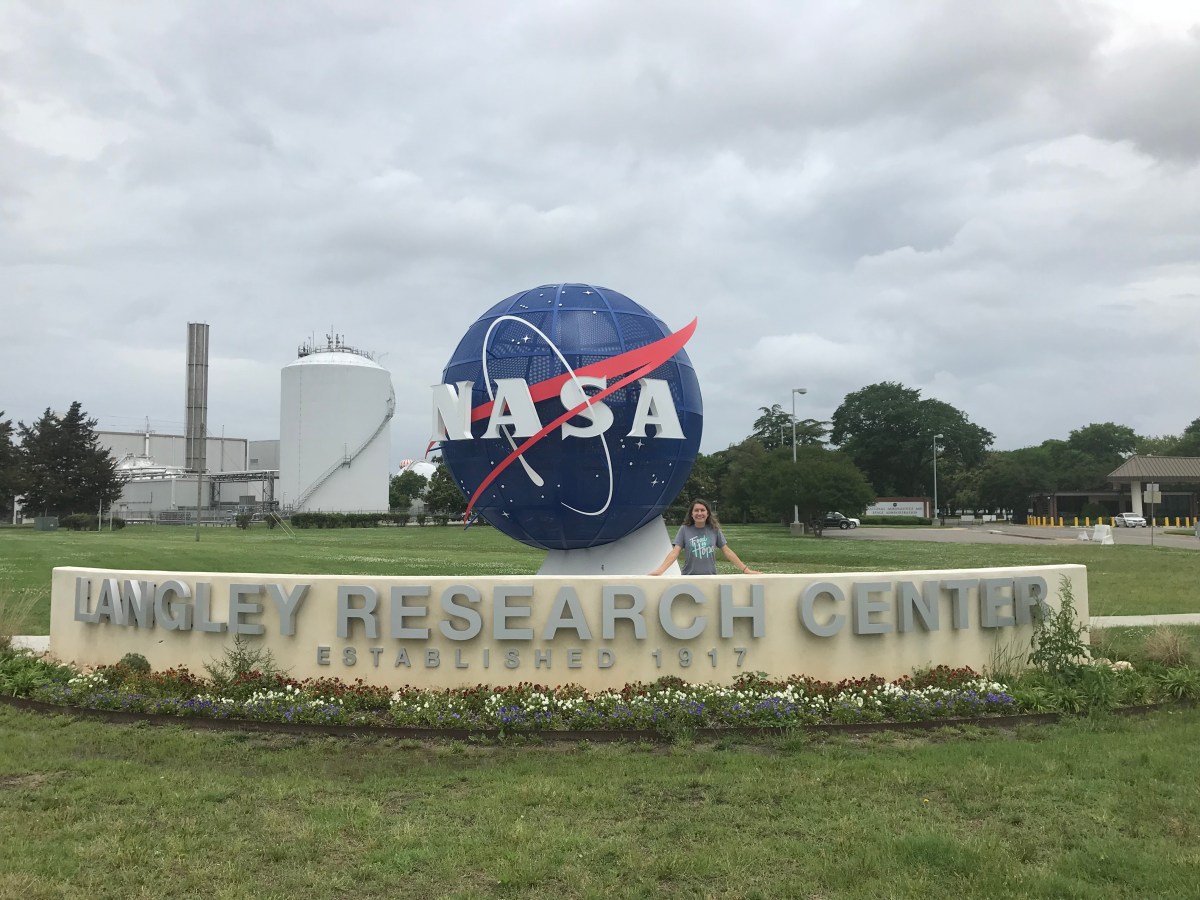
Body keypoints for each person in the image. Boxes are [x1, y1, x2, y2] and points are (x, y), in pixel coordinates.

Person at [649, 498, 760, 576]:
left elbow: (727, 551)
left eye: (702, 510)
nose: (699, 513)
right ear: (691, 514)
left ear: (707, 513)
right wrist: (660, 570)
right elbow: (675, 552)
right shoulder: (684, 529)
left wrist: (746, 570)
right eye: (696, 510)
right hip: (689, 576)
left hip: (710, 577)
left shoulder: (714, 530)